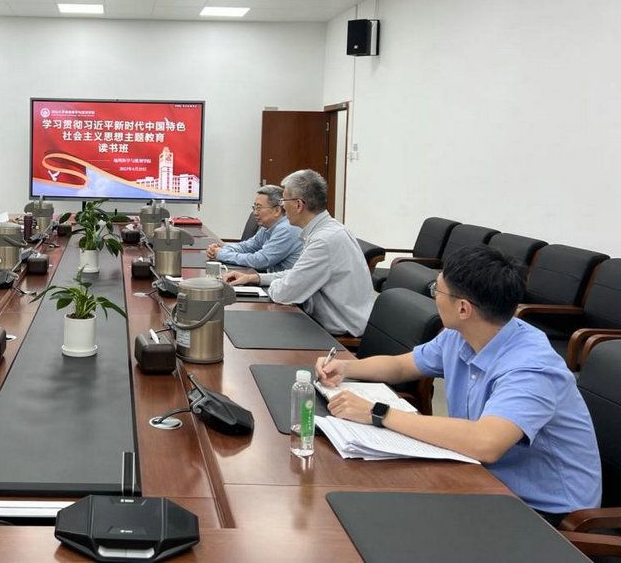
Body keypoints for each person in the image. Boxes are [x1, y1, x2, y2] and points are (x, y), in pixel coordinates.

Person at [315, 246, 601, 522]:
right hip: (480, 476)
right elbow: (402, 365)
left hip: (544, 510)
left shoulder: (531, 367)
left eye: (437, 291)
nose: (434, 297)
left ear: (463, 308)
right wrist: (346, 367)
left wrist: (378, 413)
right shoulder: (462, 333)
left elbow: (486, 442)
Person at [225, 169, 375, 336]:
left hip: (338, 332)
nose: (282, 206)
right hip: (324, 321)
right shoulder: (328, 230)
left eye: (284, 200)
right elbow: (297, 274)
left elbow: (284, 293)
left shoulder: (324, 241)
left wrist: (276, 284)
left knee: (249, 330)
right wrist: (255, 278)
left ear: (298, 205)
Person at [206, 185, 302, 271]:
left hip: (283, 283)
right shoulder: (268, 227)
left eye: (259, 208)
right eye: (254, 208)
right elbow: (247, 246)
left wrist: (221, 254)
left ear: (277, 210)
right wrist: (221, 248)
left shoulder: (287, 229)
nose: (255, 213)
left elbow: (259, 261)